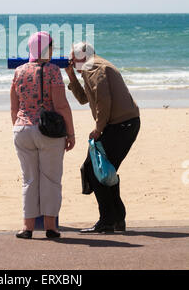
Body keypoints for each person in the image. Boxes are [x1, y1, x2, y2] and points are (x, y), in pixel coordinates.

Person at [65, 42, 140, 233]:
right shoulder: (92, 66)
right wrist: (71, 75)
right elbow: (84, 99)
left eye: (73, 60)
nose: (72, 63)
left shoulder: (94, 67)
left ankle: (107, 220)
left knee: (93, 169)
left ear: (81, 57)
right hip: (123, 124)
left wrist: (98, 129)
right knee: (105, 170)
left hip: (120, 125)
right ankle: (116, 218)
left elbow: (103, 101)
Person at [10, 31, 75, 239]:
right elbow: (62, 106)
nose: (53, 51)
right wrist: (70, 133)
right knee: (51, 180)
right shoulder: (53, 71)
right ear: (46, 49)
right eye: (51, 47)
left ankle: (27, 228)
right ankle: (50, 228)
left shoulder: (19, 71)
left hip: (22, 129)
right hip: (48, 132)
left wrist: (21, 126)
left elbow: (14, 107)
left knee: (29, 180)